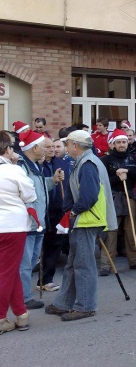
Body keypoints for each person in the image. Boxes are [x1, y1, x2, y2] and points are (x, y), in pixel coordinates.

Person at [45, 130, 117, 321]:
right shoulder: (86, 161)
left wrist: (75, 211)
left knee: (83, 265)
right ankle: (64, 303)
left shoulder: (88, 164)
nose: (66, 147)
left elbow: (89, 196)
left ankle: (86, 305)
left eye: (67, 144)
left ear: (75, 146)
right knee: (73, 264)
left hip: (87, 220)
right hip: (84, 219)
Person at [18, 131, 63, 310]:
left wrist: (51, 180)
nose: (47, 150)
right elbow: (24, 192)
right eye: (43, 146)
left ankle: (23, 295)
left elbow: (38, 187)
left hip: (38, 222)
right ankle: (24, 297)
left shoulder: (34, 166)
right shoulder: (22, 167)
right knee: (25, 263)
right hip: (28, 222)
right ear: (34, 147)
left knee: (31, 261)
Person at [0, 131, 37, 334]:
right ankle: (1, 316)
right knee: (6, 272)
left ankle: (21, 314)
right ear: (7, 149)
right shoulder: (14, 171)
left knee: (9, 270)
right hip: (12, 226)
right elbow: (30, 194)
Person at [100, 129, 136, 275]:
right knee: (111, 231)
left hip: (129, 196)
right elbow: (102, 181)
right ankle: (107, 264)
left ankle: (134, 260)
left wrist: (129, 172)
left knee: (131, 229)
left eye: (124, 142)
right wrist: (116, 176)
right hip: (113, 198)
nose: (121, 145)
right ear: (113, 144)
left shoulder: (134, 159)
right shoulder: (105, 160)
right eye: (118, 142)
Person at [39, 136, 70, 291]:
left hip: (58, 209)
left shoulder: (61, 163)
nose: (52, 149)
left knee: (55, 246)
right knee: (39, 246)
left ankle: (46, 279)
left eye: (53, 147)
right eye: (48, 147)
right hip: (42, 210)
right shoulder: (37, 165)